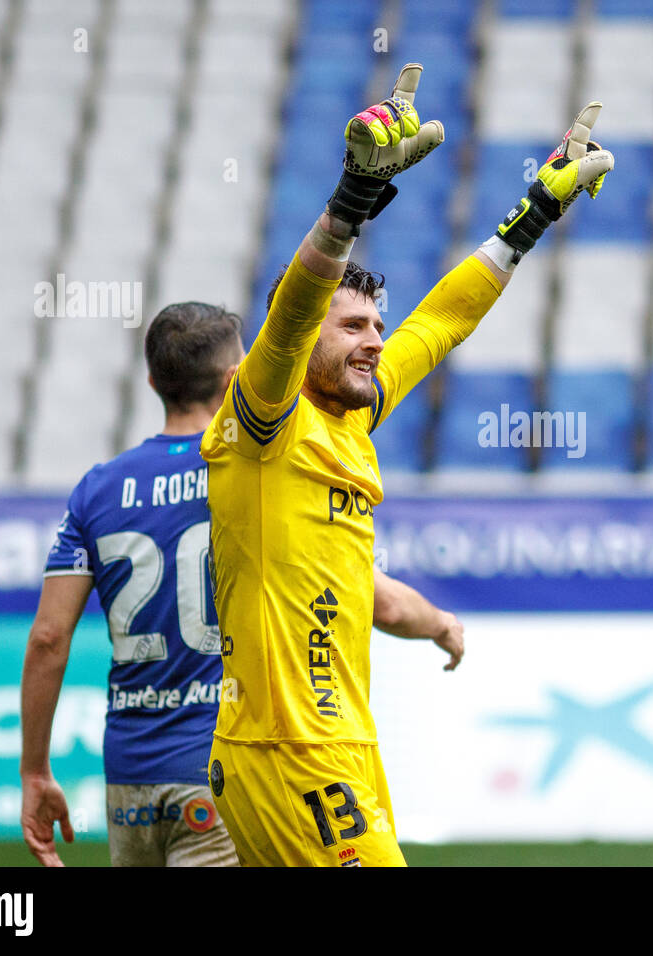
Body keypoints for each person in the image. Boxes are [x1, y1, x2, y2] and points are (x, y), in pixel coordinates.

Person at [201, 64, 614, 866]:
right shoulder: (265, 422)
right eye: (352, 324)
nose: (376, 339)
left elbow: (442, 321)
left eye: (376, 323)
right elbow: (288, 322)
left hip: (332, 743)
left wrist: (532, 214)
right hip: (294, 750)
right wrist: (352, 198)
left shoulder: (354, 417)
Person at [20, 301, 465, 868]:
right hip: (228, 765)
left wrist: (35, 770)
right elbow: (375, 600)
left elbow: (49, 639)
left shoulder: (98, 490)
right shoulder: (256, 461)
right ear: (239, 377)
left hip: (130, 776)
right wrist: (443, 623)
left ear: (154, 381)